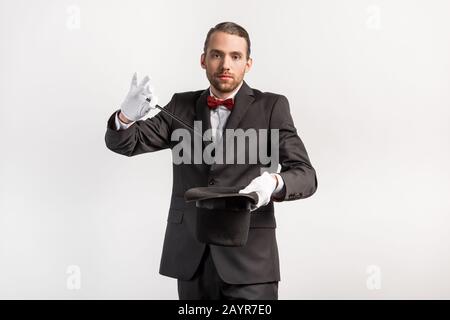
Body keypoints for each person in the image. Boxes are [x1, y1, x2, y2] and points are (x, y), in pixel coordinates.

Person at [105, 21, 317, 300]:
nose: (225, 64)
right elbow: (125, 143)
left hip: (250, 261)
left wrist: (273, 182)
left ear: (248, 64)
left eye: (235, 56)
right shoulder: (180, 105)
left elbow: (305, 174)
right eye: (217, 55)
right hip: (192, 256)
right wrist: (126, 117)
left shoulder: (272, 107)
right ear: (203, 60)